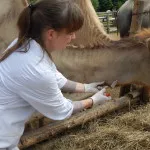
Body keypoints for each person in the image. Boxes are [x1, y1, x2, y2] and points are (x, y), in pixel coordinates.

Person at [0, 0, 111, 149]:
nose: (74, 37)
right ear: (51, 34)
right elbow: (62, 110)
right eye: (70, 32)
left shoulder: (26, 44)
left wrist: (87, 87)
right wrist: (94, 100)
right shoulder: (35, 69)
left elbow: (57, 79)